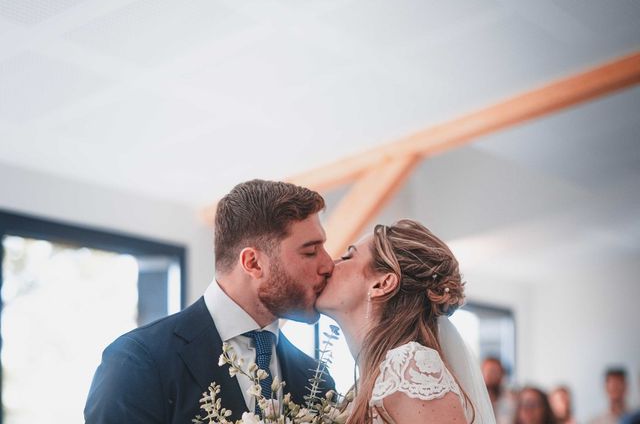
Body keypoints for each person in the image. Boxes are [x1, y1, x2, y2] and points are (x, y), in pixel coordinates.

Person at [84, 179, 336, 423]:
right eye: (310, 251)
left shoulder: (318, 381)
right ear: (253, 263)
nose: (328, 264)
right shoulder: (139, 361)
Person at [317, 218, 495, 423]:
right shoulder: (381, 376)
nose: (331, 265)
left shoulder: (410, 368)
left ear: (382, 283)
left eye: (347, 257)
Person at [482, 357, 517, 424]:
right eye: (489, 371)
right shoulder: (475, 400)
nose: (492, 376)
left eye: (495, 372)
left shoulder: (511, 400)